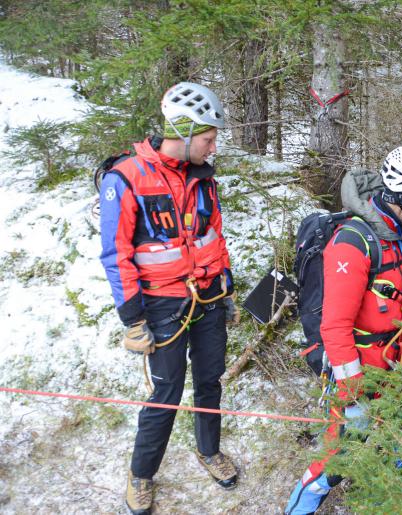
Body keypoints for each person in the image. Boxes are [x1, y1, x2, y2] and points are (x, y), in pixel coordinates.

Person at [99, 82, 239, 515]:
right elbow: (115, 253)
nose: (213, 147)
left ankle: (209, 450)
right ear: (183, 129)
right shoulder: (126, 178)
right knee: (166, 392)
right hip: (162, 305)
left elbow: (214, 235)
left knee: (211, 379)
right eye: (208, 138)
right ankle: (141, 476)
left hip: (209, 297)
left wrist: (226, 288)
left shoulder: (204, 179)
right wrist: (133, 319)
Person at [284, 147, 402, 514]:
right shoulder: (353, 242)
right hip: (361, 370)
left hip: (400, 364)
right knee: (335, 461)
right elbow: (335, 323)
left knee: (400, 443)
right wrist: (350, 384)